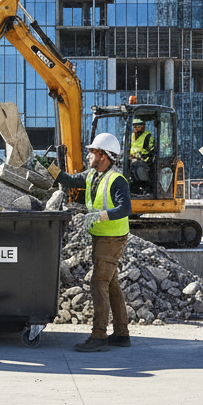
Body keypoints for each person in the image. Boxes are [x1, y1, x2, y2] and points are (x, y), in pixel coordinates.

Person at [48, 132, 132, 352]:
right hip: (103, 236)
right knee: (111, 286)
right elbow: (69, 180)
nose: (88, 156)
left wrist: (101, 215)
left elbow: (125, 208)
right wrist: (48, 168)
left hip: (111, 238)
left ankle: (99, 336)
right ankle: (122, 334)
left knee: (98, 285)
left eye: (92, 152)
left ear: (104, 155)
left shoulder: (116, 179)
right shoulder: (93, 175)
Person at [130, 116, 155, 184]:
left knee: (133, 166)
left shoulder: (147, 136)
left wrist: (138, 155)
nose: (136, 128)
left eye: (138, 126)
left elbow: (151, 151)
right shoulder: (130, 136)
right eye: (134, 126)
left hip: (144, 162)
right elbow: (126, 147)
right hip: (131, 159)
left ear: (143, 126)